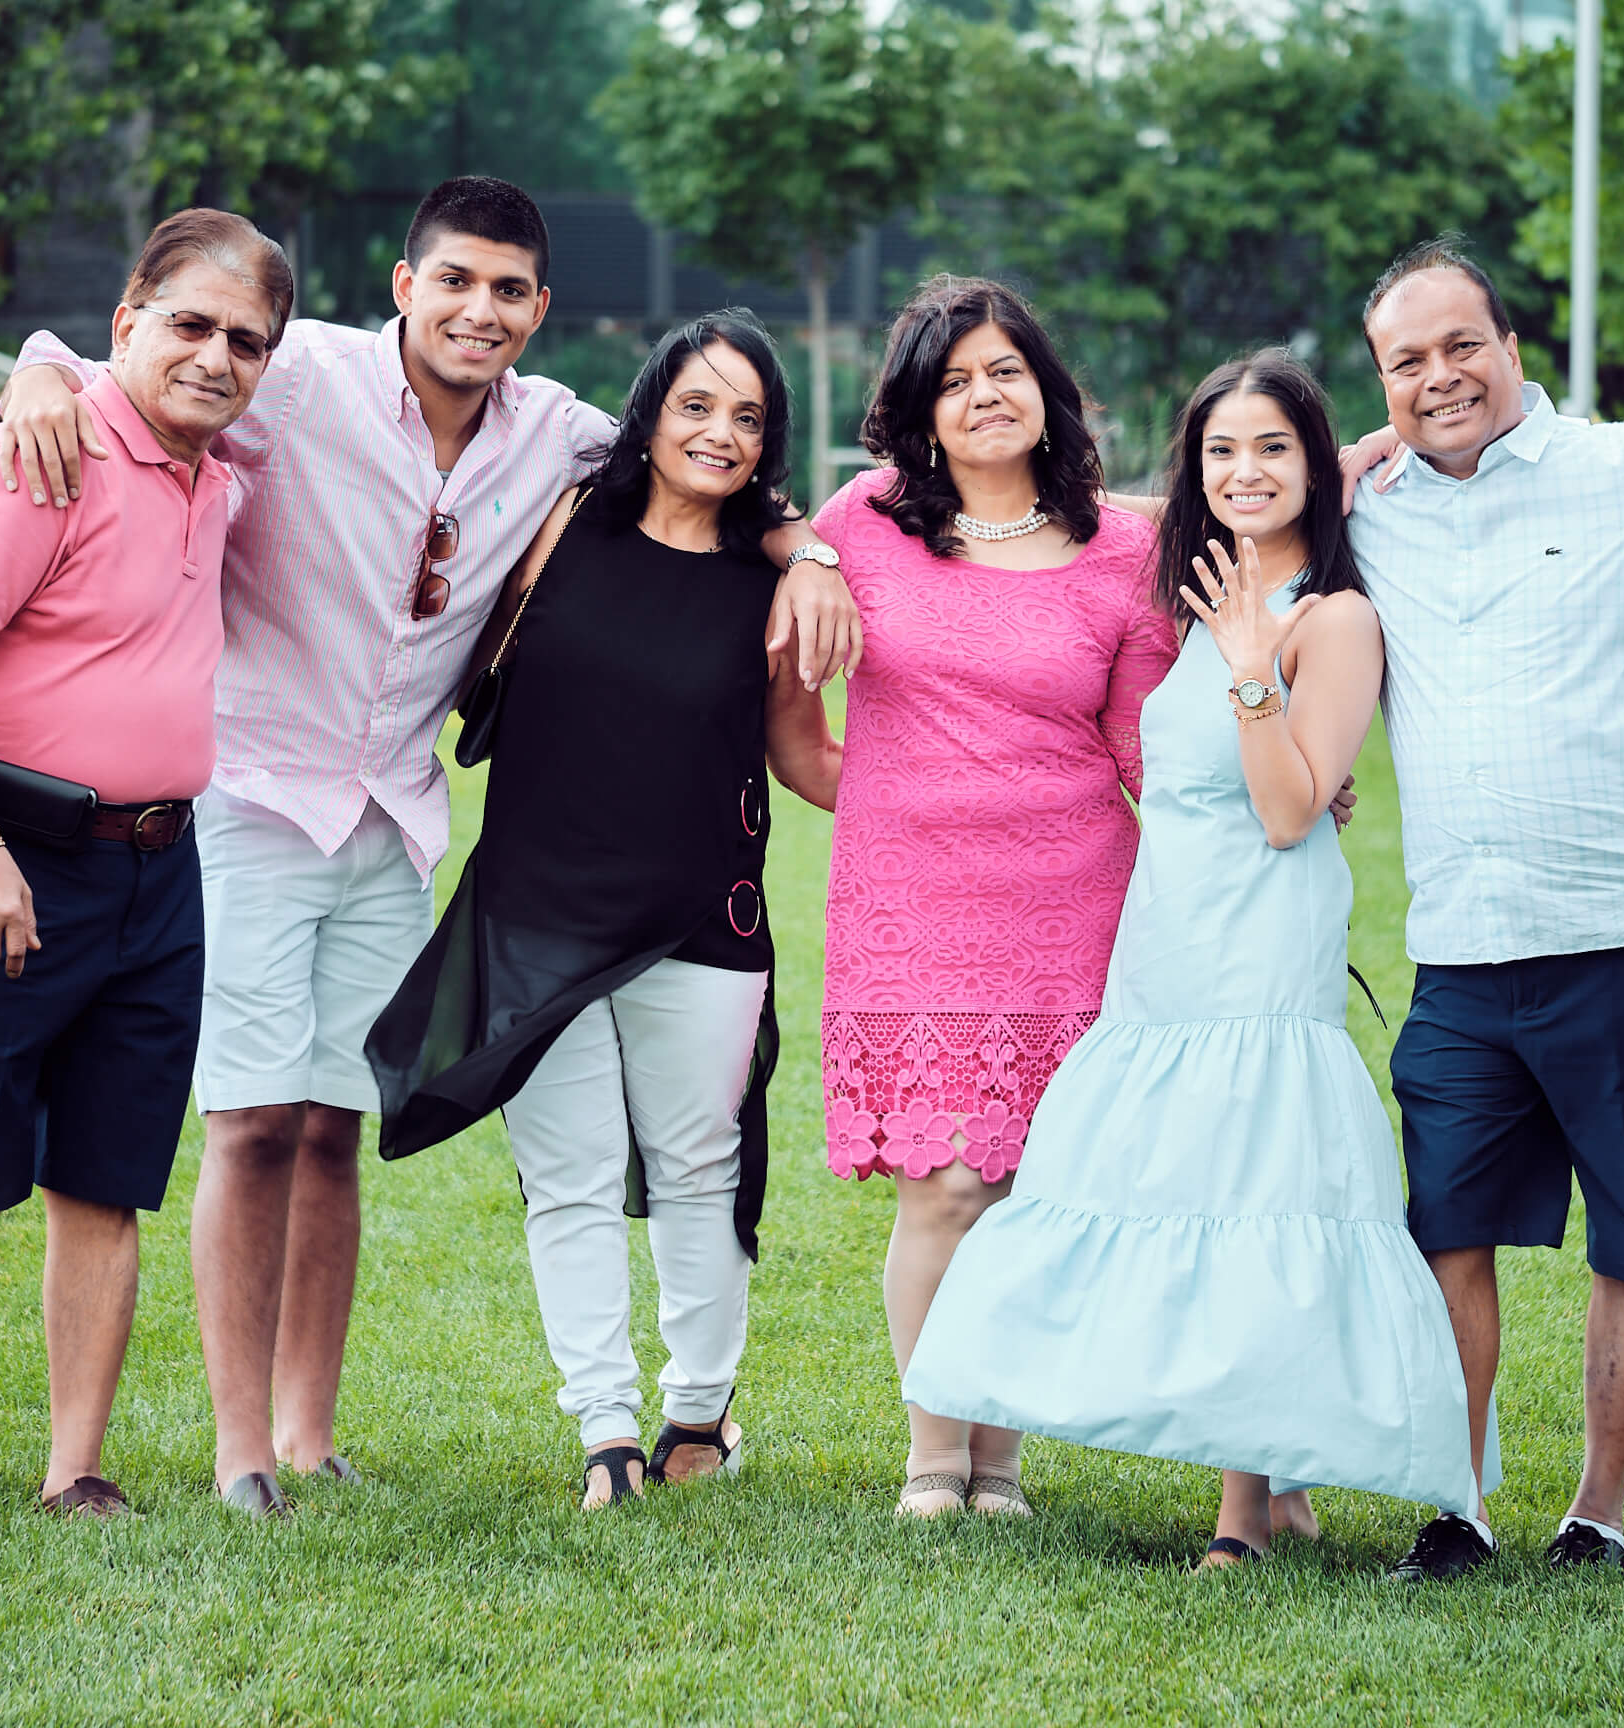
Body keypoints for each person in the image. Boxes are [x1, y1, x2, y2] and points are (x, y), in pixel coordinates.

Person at [0, 179, 859, 1516]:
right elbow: (142, 362)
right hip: (259, 799)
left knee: (333, 1129)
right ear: (406, 284)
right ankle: (238, 1457)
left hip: (394, 816)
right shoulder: (299, 378)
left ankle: (309, 1433)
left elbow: (707, 440)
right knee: (249, 1123)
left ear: (538, 310)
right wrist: (37, 378)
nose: (480, 310)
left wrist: (804, 545)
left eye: (509, 290)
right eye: (455, 280)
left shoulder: (556, 432)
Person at [902, 351, 1480, 1564]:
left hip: (1264, 955)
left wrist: (1254, 672)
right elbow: (1059, 512)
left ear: (1314, 468)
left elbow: (1287, 811)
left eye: (1274, 447)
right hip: (1167, 940)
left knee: (1255, 1199)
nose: (1244, 471)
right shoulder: (1198, 596)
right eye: (1222, 449)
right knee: (1177, 1193)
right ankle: (1274, 1483)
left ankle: (1245, 1518)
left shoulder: (1337, 619)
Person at [367, 311, 840, 1507]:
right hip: (537, 906)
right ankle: (605, 1431)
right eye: (696, 405)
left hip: (705, 916)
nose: (719, 433)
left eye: (747, 416)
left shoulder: (775, 573)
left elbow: (804, 756)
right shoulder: (563, 521)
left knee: (699, 1164)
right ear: (649, 412)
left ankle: (697, 1413)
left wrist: (984, 784)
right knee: (567, 1175)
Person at [0, 209, 284, 1519]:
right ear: (125, 324)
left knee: (108, 1178)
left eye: (246, 341)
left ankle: (77, 1470)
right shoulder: (28, 459)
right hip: (1, 851)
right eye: (189, 325)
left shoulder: (220, 482)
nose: (216, 358)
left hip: (160, 872)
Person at [1334, 239, 1624, 1585]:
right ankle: (1461, 1504)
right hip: (1461, 952)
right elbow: (1202, 514)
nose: (1440, 377)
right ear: (1378, 380)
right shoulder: (1367, 510)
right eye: (1406, 361)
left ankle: (1597, 1514)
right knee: (1446, 1230)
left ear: (1512, 344)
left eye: (1462, 345)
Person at [807, 276, 1178, 1517]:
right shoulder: (860, 522)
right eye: (955, 379)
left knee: (1024, 1191)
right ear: (921, 408)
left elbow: (1142, 753)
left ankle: (1001, 1461)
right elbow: (755, 536)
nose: (983, 395)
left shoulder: (1124, 551)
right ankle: (932, 1460)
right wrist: (800, 557)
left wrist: (1282, 777)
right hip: (909, 904)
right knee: (943, 1182)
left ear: (1045, 390)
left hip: (1073, 901)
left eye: (1003, 371)